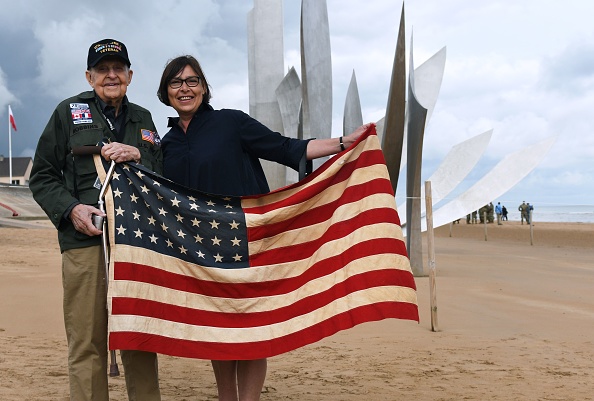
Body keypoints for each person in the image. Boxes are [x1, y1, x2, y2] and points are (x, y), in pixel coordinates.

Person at [156, 55, 369, 401]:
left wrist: (344, 142)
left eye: (192, 80)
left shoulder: (231, 123)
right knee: (219, 330)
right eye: (176, 83)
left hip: (246, 239)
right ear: (166, 92)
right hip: (200, 249)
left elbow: (286, 148)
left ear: (205, 87)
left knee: (251, 328)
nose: (185, 88)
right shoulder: (166, 144)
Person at [29, 39, 162, 401]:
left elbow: (163, 175)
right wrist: (72, 209)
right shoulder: (67, 113)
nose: (111, 75)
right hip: (84, 243)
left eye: (118, 68)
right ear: (89, 76)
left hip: (136, 245)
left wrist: (140, 155)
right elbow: (41, 175)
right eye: (102, 69)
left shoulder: (144, 119)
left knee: (138, 338)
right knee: (87, 341)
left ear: (130, 75)